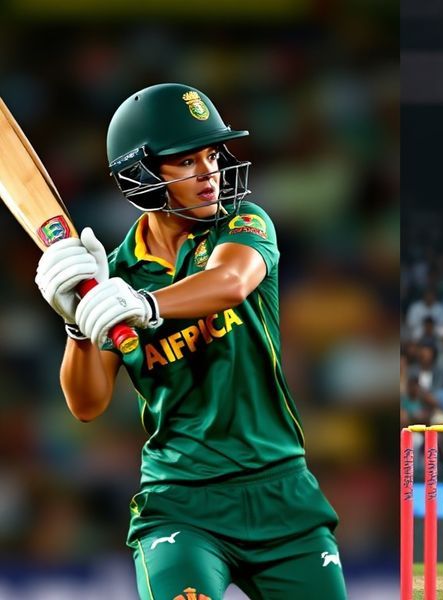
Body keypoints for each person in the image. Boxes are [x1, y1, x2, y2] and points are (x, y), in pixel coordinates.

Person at [33, 84, 347, 599]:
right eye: (185, 162)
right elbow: (87, 404)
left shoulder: (242, 224)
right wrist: (76, 326)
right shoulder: (113, 275)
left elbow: (231, 283)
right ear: (142, 176)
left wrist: (147, 305)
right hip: (180, 503)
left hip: (283, 491)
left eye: (212, 155)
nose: (209, 174)